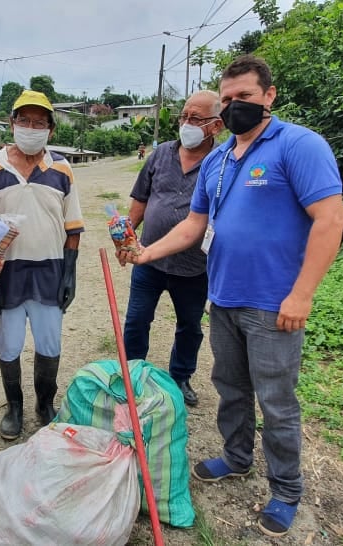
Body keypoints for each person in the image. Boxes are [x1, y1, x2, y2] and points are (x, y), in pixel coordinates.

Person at [120, 54, 343, 537]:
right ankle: (237, 456)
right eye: (227, 98)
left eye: (244, 95)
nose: (233, 105)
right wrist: (146, 253)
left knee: (276, 400)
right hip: (222, 297)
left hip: (274, 304)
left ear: (269, 95)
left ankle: (286, 489)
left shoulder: (298, 145)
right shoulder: (218, 159)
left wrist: (302, 294)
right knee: (231, 386)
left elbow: (331, 220)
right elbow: (194, 225)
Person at [0, 90, 84, 441]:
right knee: (9, 345)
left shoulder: (62, 168)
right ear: (12, 123)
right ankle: (15, 407)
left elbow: (73, 228)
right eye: (25, 121)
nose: (31, 128)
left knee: (49, 344)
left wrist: (69, 274)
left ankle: (44, 404)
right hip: (7, 273)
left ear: (51, 129)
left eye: (39, 123)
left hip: (50, 270)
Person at [120, 90, 224, 408]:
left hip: (193, 266)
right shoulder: (161, 154)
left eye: (196, 118)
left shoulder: (222, 162)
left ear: (216, 125)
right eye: (184, 116)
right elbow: (140, 199)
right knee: (137, 320)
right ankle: (132, 375)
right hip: (148, 260)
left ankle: (180, 376)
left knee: (189, 326)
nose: (187, 123)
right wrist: (126, 237)